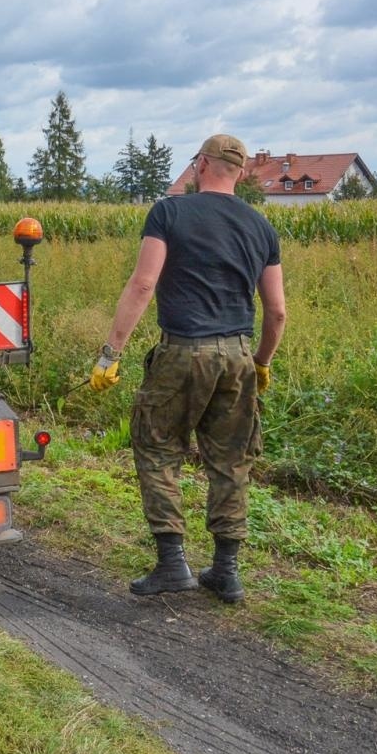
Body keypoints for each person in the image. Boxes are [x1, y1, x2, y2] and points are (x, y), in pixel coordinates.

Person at [89, 134, 286, 603]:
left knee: (158, 450)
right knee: (231, 460)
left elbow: (142, 285)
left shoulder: (169, 212)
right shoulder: (262, 227)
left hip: (181, 351)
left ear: (201, 164)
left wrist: (110, 353)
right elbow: (277, 312)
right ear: (240, 172)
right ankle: (225, 570)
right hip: (238, 355)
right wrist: (260, 363)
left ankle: (172, 563)